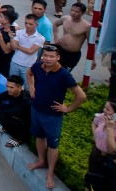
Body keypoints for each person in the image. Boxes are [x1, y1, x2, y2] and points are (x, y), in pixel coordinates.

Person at [26, 43, 87, 190]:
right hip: (36, 110)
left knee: (53, 145)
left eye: (52, 56)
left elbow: (81, 96)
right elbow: (29, 74)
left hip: (53, 116)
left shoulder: (64, 74)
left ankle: (50, 173)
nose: (48, 59)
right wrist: (32, 88)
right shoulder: (37, 66)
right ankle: (41, 161)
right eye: (45, 55)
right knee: (39, 138)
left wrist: (67, 109)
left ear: (58, 58)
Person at [54, 3, 92, 71]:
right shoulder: (65, 18)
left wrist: (92, 59)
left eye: (77, 12)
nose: (73, 13)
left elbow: (90, 44)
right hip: (60, 49)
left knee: (64, 74)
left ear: (82, 13)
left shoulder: (86, 26)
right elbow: (55, 24)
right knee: (52, 69)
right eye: (72, 10)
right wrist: (56, 37)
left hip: (72, 55)